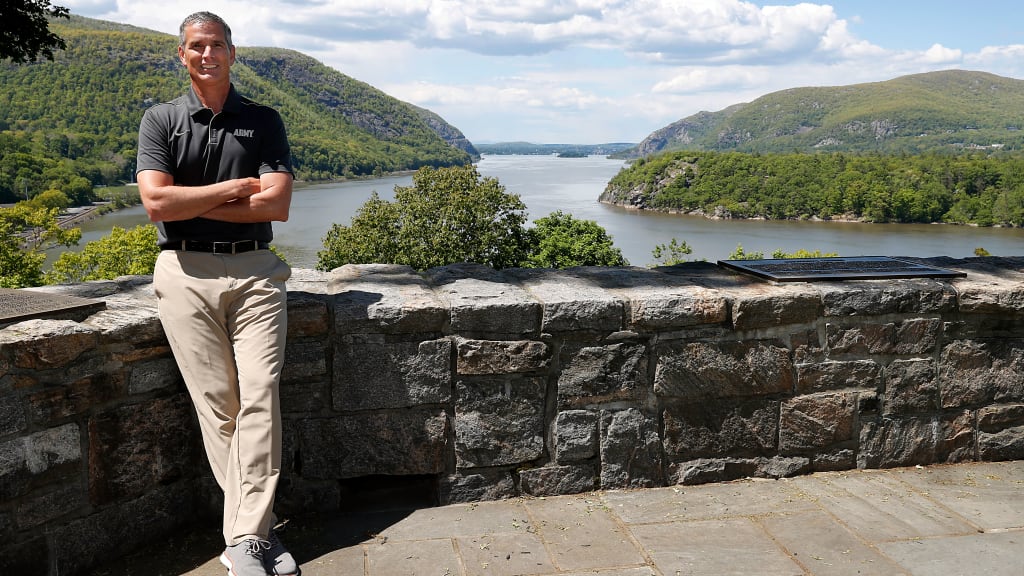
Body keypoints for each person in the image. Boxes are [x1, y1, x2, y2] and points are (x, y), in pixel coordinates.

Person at [136, 11, 298, 576]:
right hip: (183, 272)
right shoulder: (160, 121)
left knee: (261, 393)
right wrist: (234, 188)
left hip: (255, 270)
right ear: (182, 55)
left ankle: (244, 540)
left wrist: (190, 198)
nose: (208, 54)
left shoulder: (264, 120)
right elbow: (156, 205)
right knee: (219, 409)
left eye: (218, 45)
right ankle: (253, 537)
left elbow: (276, 205)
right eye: (196, 46)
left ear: (233, 52)